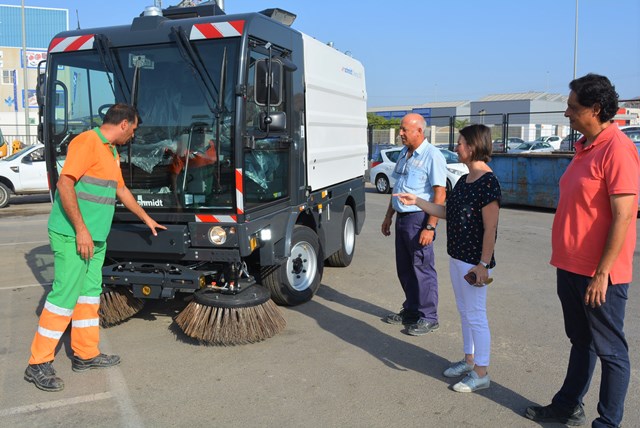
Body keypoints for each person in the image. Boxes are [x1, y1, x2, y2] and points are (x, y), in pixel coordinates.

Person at [24, 104, 167, 392]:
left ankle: (85, 354)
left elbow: (121, 190)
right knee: (64, 296)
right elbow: (65, 184)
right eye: (135, 129)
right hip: (73, 235)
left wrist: (147, 219)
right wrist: (81, 230)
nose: (134, 136)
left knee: (89, 296)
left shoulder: (110, 151)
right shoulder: (87, 142)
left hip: (95, 237)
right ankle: (37, 363)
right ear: (124, 124)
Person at [525, 74, 638, 427]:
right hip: (571, 267)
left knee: (611, 350)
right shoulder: (583, 148)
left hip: (600, 274)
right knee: (581, 340)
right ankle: (568, 404)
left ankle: (608, 422)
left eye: (573, 108)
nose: (567, 113)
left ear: (596, 109)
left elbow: (624, 216)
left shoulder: (618, 149)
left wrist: (602, 272)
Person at [396, 124, 500, 393]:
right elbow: (446, 212)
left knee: (476, 315)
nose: (457, 148)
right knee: (465, 313)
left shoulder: (488, 183)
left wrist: (483, 265)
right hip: (457, 257)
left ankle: (481, 372)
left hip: (474, 262)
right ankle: (469, 360)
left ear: (474, 146)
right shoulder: (466, 180)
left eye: (461, 143)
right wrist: (416, 200)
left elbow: (491, 228)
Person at [381, 113, 447, 336]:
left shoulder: (432, 155)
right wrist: (389, 215)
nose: (400, 134)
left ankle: (429, 317)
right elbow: (397, 186)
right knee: (405, 268)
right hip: (402, 218)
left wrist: (430, 227)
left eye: (404, 130)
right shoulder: (404, 153)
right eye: (401, 129)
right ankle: (411, 310)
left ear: (419, 131)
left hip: (419, 219)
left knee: (422, 268)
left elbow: (440, 193)